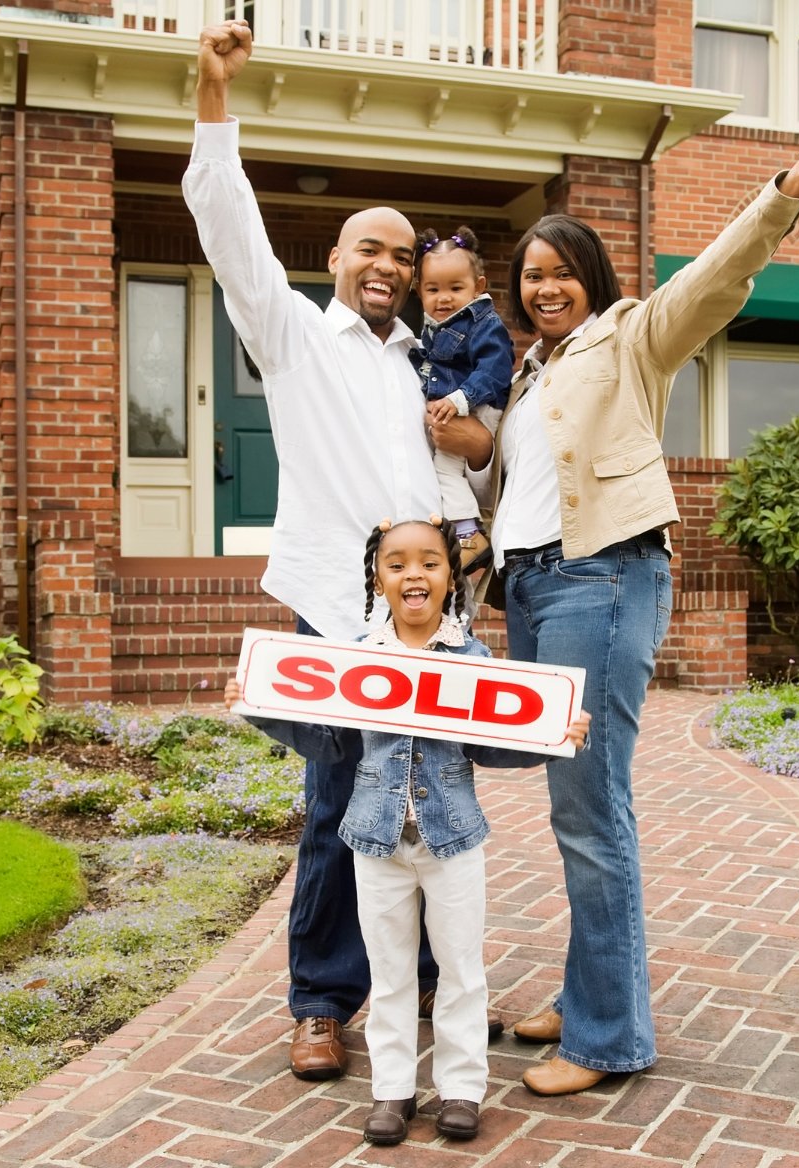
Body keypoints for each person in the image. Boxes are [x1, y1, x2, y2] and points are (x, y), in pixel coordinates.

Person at [476, 123, 799, 1096]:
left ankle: (609, 1036)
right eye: (530, 275)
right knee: (571, 804)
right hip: (537, 591)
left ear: (592, 274)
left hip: (602, 577)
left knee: (593, 807)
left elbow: (715, 278)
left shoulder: (631, 337)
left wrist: (787, 187)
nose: (545, 287)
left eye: (560, 271)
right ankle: (589, 995)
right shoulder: (530, 371)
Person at [183, 18, 495, 1084]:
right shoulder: (294, 338)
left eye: (405, 257)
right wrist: (213, 95)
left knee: (432, 799)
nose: (392, 267)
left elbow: (457, 480)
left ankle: (426, 989)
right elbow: (227, 226)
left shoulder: (425, 364)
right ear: (335, 259)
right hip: (341, 603)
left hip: (434, 611)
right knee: (338, 803)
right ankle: (321, 1001)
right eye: (372, 248)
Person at [226, 517, 591, 1145]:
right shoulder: (358, 657)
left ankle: (461, 1090)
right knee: (390, 973)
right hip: (377, 841)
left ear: (451, 578)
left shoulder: (471, 659)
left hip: (453, 842)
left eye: (429, 562)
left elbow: (492, 746)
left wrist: (552, 739)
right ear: (378, 578)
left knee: (460, 971)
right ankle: (392, 1092)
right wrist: (262, 710)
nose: (413, 574)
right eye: (397, 564)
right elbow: (330, 745)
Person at [409, 227, 515, 571]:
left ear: (478, 287)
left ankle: (470, 536)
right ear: (418, 291)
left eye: (456, 288)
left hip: (479, 408)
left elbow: (496, 368)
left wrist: (458, 400)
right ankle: (465, 534)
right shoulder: (431, 329)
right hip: (460, 408)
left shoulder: (482, 321)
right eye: (433, 289)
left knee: (444, 470)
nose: (444, 298)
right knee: (441, 471)